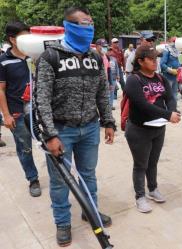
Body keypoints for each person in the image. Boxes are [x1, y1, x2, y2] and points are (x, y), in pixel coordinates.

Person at [35, 7, 116, 246]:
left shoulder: (94, 58)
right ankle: (62, 223)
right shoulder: (51, 57)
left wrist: (108, 121)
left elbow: (103, 92)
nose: (89, 27)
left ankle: (90, 211)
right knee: (60, 181)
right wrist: (50, 134)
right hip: (62, 130)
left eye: (91, 23)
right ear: (69, 26)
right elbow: (42, 99)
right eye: (83, 23)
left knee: (88, 175)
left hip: (90, 128)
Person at [124, 45, 180, 213]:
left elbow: (170, 97)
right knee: (141, 164)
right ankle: (140, 196)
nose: (155, 62)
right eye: (151, 59)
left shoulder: (161, 79)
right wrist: (167, 115)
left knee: (153, 162)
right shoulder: (134, 80)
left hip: (158, 128)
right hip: (139, 129)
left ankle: (153, 189)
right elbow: (143, 105)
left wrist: (172, 110)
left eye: (156, 58)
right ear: (140, 61)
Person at [0, 21, 41, 196]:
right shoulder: (3, 62)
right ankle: (33, 179)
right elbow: (0, 90)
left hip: (38, 110)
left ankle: (58, 174)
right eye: (24, 36)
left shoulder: (34, 56)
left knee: (48, 142)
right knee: (25, 148)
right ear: (12, 39)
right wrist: (7, 115)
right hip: (17, 112)